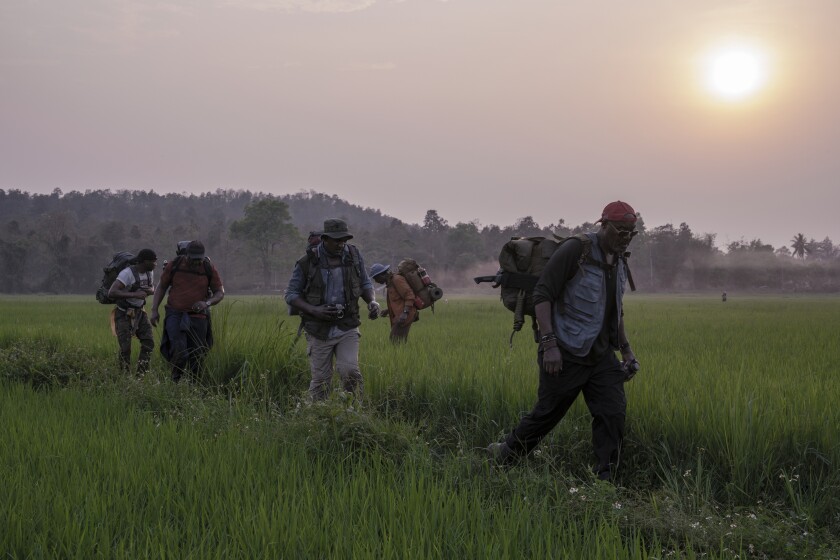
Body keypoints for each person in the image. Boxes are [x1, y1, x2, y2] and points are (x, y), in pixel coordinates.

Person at [487, 201, 640, 481]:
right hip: (566, 351)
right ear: (603, 225)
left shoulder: (620, 259)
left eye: (631, 232)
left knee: (613, 415)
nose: (626, 237)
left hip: (602, 356)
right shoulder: (576, 249)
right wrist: (549, 344)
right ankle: (504, 456)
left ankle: (605, 481)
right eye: (620, 231)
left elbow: (615, 309)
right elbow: (542, 294)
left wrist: (627, 351)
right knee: (547, 415)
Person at [285, 218, 381, 400]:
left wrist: (372, 302)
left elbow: (365, 283)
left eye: (344, 240)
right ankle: (318, 418)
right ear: (324, 238)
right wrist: (315, 310)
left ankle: (354, 414)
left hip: (348, 325)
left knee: (350, 371)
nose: (341, 244)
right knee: (321, 380)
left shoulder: (353, 255)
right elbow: (291, 294)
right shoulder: (307, 262)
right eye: (336, 240)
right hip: (318, 329)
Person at [150, 240, 225, 382]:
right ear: (186, 256)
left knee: (198, 354)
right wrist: (154, 310)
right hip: (175, 314)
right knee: (179, 351)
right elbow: (161, 287)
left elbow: (219, 293)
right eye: (193, 259)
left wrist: (206, 303)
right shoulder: (174, 266)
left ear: (203, 257)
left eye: (199, 260)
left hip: (198, 317)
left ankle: (194, 385)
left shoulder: (208, 268)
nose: (196, 262)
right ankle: (175, 382)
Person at [107, 248, 158, 377]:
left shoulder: (149, 272)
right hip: (123, 313)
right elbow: (112, 292)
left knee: (149, 343)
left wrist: (150, 291)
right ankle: (124, 377)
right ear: (144, 261)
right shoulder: (127, 273)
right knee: (125, 348)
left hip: (140, 312)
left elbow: (152, 287)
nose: (155, 264)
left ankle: (140, 376)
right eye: (153, 261)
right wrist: (135, 294)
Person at [369, 263, 418, 344]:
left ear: (381, 275)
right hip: (400, 316)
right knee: (397, 342)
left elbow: (410, 296)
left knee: (395, 341)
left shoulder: (397, 280)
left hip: (405, 316)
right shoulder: (390, 283)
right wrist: (388, 311)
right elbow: (398, 301)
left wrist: (405, 313)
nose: (376, 281)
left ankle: (401, 356)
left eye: (376, 278)